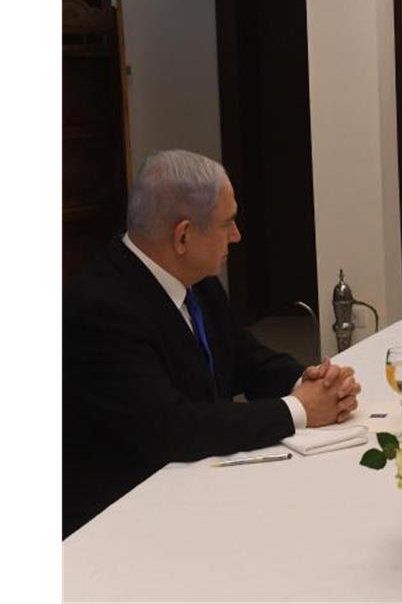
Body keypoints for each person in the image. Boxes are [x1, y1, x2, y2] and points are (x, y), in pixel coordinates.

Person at [63, 150, 361, 537]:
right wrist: (299, 410)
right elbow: (173, 427)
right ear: (183, 235)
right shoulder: (102, 307)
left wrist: (316, 382)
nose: (236, 236)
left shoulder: (196, 279)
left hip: (189, 483)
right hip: (121, 517)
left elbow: (245, 359)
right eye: (227, 224)